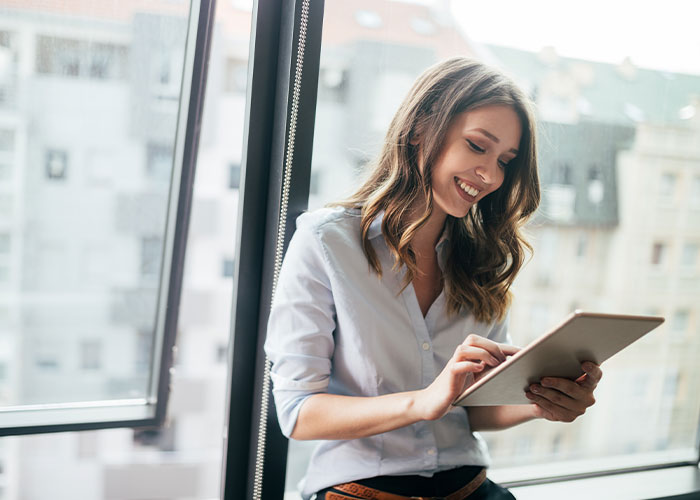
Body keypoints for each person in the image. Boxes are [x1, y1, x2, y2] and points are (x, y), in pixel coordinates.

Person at [264, 57, 602, 500]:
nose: (491, 175)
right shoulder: (326, 242)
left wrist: (542, 404)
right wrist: (424, 400)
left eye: (505, 160)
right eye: (478, 146)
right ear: (422, 127)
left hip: (471, 487)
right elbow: (297, 412)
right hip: (360, 488)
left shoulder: (482, 259)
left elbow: (473, 411)